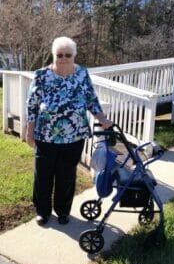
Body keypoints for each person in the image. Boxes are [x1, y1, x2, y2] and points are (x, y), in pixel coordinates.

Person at [26, 36, 112, 226]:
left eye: (68, 54)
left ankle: (63, 211)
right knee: (43, 176)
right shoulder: (41, 75)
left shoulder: (82, 73)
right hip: (46, 136)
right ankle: (43, 211)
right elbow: (31, 105)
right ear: (53, 55)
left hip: (74, 136)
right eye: (59, 54)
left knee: (66, 177)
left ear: (74, 56)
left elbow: (90, 98)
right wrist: (29, 131)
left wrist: (102, 118)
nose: (63, 58)